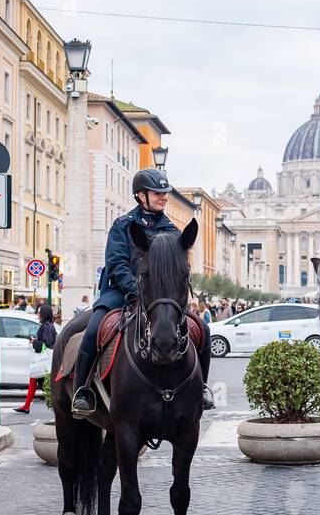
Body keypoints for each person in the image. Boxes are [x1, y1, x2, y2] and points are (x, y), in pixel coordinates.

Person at [73, 169, 216, 415]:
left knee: (202, 329)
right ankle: (82, 391)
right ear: (141, 196)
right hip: (119, 292)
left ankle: (200, 388)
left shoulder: (172, 231)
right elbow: (116, 264)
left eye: (165, 193)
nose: (163, 197)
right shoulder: (123, 226)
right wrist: (136, 289)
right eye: (157, 193)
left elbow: (179, 266)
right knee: (94, 329)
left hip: (160, 298)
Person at [14, 304, 57, 414]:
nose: (38, 314)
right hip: (45, 360)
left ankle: (57, 407)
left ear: (44, 314)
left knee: (47, 386)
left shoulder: (46, 327)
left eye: (39, 312)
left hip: (44, 360)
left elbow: (47, 344)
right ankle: (26, 406)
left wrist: (34, 342)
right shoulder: (49, 325)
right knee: (34, 381)